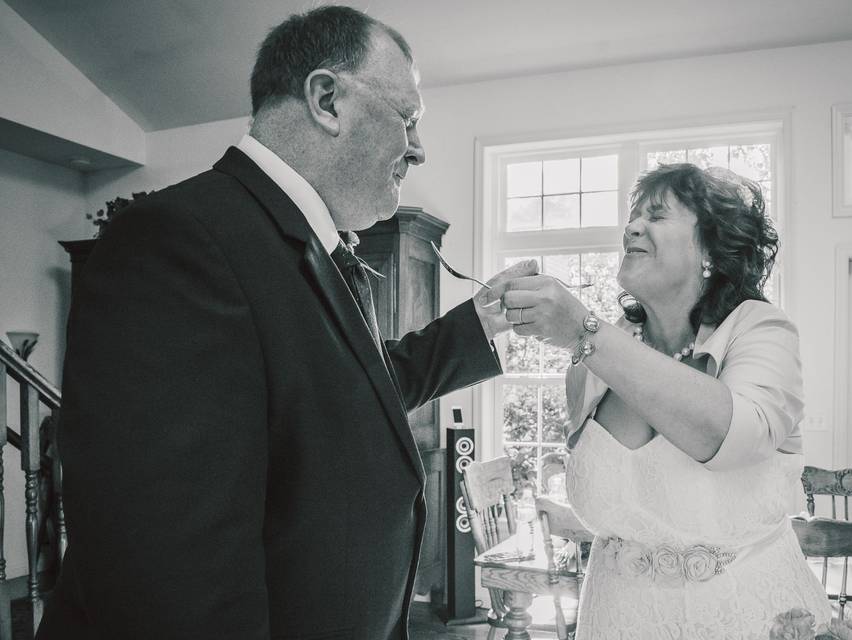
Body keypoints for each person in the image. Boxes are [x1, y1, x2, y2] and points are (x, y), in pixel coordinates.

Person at [38, 7, 535, 640]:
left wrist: (480, 324)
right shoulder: (177, 241)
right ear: (327, 99)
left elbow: (347, 396)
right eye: (407, 119)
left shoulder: (307, 243)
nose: (419, 148)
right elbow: (170, 572)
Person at [500, 163, 832, 639]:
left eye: (656, 216)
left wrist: (581, 329)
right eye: (634, 216)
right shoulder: (592, 360)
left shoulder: (761, 330)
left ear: (711, 250)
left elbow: (733, 436)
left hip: (747, 617)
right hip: (617, 618)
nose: (632, 226)